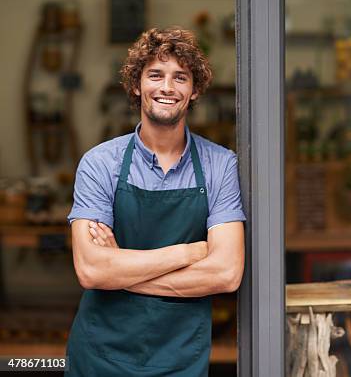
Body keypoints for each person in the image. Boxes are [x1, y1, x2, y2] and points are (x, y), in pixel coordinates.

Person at [64, 27, 245, 377]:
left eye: (180, 77)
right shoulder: (100, 163)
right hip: (101, 354)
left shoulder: (220, 165)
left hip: (180, 355)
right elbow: (90, 270)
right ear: (136, 85)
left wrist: (119, 272)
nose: (167, 87)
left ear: (194, 91)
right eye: (155, 75)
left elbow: (226, 273)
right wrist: (188, 253)